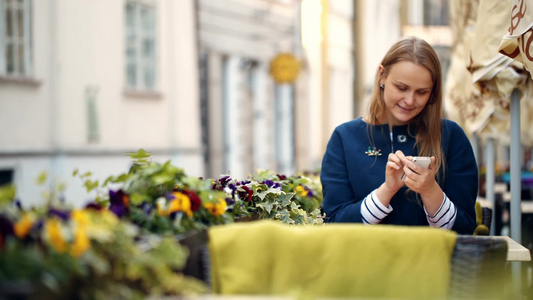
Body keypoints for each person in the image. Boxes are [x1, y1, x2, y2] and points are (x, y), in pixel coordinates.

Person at [320, 36, 477, 234]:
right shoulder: (345, 138)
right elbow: (335, 224)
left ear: (433, 92)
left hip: (433, 263)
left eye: (422, 92)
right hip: (364, 264)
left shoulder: (451, 137)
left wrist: (430, 191)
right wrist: (387, 190)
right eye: (401, 88)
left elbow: (465, 229)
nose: (410, 100)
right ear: (382, 76)